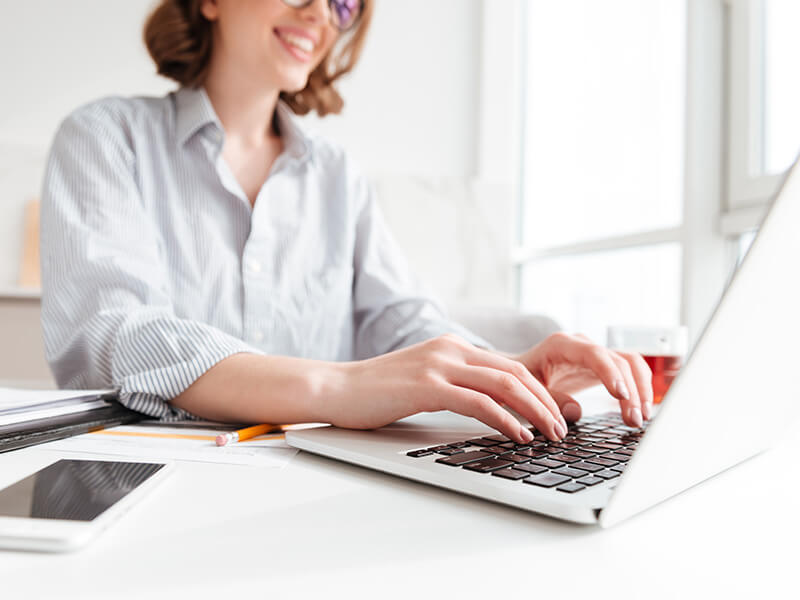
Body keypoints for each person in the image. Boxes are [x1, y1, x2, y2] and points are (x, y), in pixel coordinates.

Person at [40, 0, 652, 445]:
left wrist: (503, 371)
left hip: (316, 481)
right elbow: (115, 334)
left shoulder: (337, 177)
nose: (320, 14)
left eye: (343, 4)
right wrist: (338, 388)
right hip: (148, 478)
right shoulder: (103, 138)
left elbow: (403, 320)